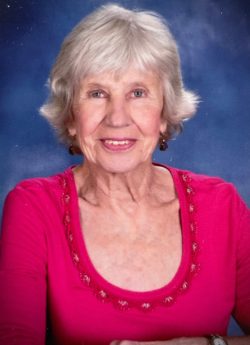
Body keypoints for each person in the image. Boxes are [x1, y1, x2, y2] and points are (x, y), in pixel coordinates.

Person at [0, 3, 249, 345]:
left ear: (164, 114)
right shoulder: (34, 206)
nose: (117, 118)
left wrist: (205, 344)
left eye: (138, 93)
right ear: (71, 116)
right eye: (97, 93)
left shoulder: (222, 205)